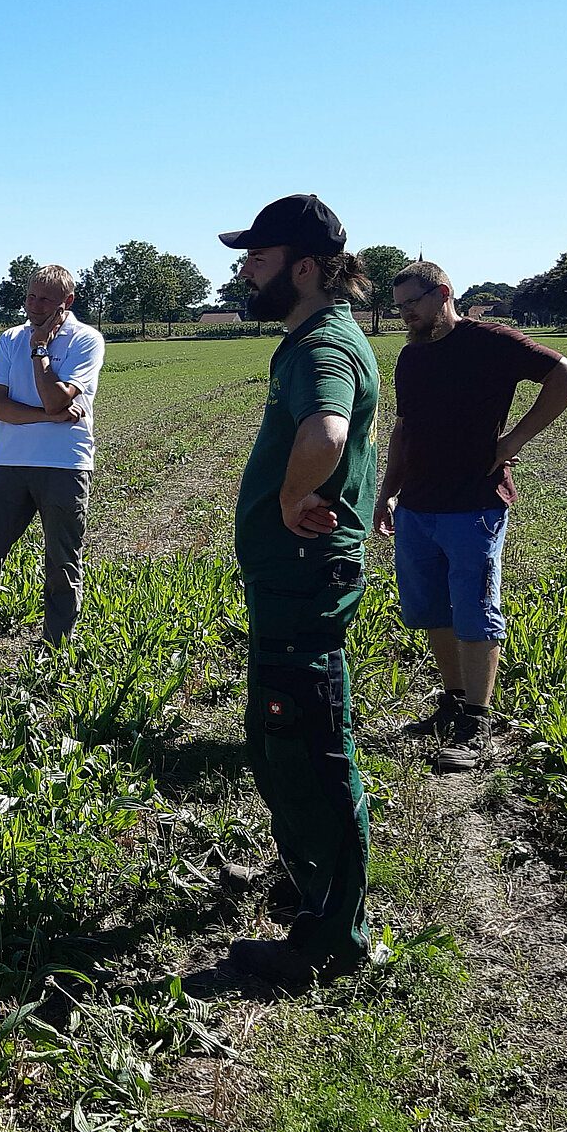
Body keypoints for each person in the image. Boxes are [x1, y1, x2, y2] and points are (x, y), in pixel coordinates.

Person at [220, 194, 380, 989]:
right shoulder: (318, 338)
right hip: (293, 580)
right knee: (281, 737)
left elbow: (327, 431)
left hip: (304, 577)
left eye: (258, 256)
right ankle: (312, 879)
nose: (245, 269)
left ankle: (333, 936)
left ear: (307, 267)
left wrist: (287, 501)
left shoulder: (322, 344)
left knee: (307, 743)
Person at [373, 260, 567, 772]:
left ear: (442, 292)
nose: (406, 315)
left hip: (474, 503)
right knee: (432, 609)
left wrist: (512, 441)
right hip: (418, 505)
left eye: (412, 304)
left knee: (474, 609)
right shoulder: (411, 357)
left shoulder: (492, 341)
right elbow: (404, 429)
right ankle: (451, 703)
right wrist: (387, 493)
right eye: (400, 307)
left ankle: (477, 721)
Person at [0, 264, 106, 662]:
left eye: (45, 298)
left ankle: (55, 655)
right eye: (30, 296)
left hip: (65, 465)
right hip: (7, 464)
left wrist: (41, 349)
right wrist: (49, 417)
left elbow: (54, 396)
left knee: (62, 563)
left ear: (68, 301)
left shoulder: (87, 340)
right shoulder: (9, 338)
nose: (34, 305)